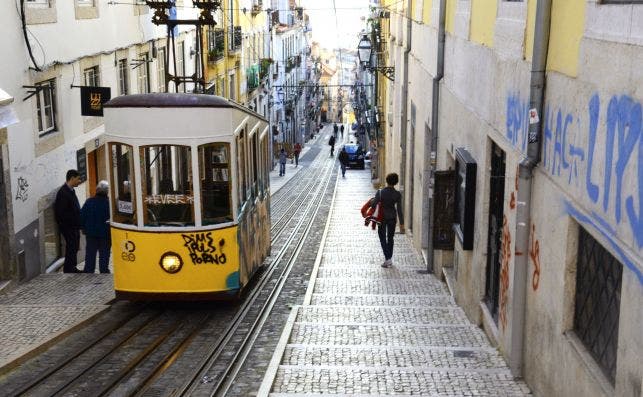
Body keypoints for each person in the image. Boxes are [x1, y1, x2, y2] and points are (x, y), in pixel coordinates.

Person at [371, 173, 405, 268]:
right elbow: (399, 210)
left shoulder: (380, 192)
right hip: (392, 218)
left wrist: (372, 201)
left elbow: (374, 205)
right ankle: (389, 258)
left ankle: (388, 259)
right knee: (390, 238)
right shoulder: (397, 194)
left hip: (382, 218)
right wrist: (402, 224)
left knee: (382, 237)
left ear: (387, 180)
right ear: (396, 182)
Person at [54, 169, 83, 273]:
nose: (80, 181)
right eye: (78, 179)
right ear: (72, 178)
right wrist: (73, 221)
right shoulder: (63, 193)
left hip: (74, 226)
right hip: (68, 227)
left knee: (74, 247)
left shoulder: (71, 191)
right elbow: (61, 213)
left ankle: (72, 267)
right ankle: (69, 269)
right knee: (71, 247)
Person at [81, 181, 111, 274]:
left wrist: (83, 229)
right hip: (105, 234)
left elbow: (82, 216)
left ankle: (89, 270)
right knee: (104, 254)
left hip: (91, 233)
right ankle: (104, 270)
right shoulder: (109, 204)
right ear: (107, 192)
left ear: (97, 190)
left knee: (90, 253)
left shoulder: (89, 201)